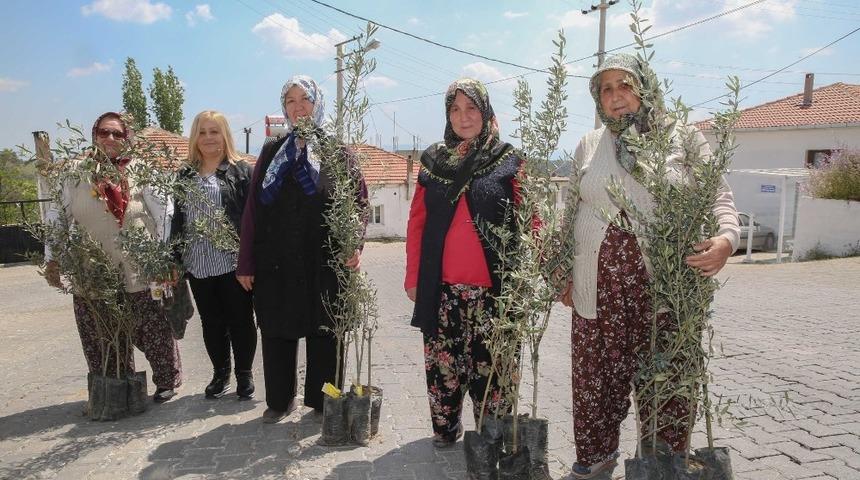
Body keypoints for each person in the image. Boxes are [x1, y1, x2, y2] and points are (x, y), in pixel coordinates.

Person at [559, 53, 741, 479]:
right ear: (597, 98)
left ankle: (658, 466)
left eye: (626, 85)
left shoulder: (683, 138)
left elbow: (721, 199)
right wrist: (562, 270)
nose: (617, 96)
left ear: (645, 87)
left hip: (664, 292)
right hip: (595, 289)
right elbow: (569, 213)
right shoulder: (589, 143)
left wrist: (725, 240)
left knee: (666, 386)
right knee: (595, 382)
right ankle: (595, 458)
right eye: (607, 89)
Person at [236, 75, 365, 424]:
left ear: (317, 103)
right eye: (290, 100)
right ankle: (279, 399)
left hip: (324, 261)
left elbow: (358, 204)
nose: (298, 107)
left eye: (304, 99)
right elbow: (252, 211)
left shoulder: (338, 153)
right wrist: (245, 262)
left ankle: (323, 401)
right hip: (275, 261)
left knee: (325, 329)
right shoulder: (270, 152)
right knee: (277, 328)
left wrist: (354, 245)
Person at [405, 78, 524, 448]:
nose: (463, 116)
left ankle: (491, 434)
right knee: (444, 367)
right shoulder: (432, 163)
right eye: (455, 109)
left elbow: (531, 219)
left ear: (486, 112)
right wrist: (413, 277)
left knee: (493, 369)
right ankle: (445, 428)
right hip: (442, 291)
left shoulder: (508, 160)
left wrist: (530, 277)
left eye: (471, 108)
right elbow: (417, 223)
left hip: (496, 293)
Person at [44, 111, 183, 404]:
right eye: (104, 132)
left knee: (152, 326)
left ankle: (166, 380)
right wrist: (52, 259)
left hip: (141, 268)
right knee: (100, 330)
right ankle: (115, 384)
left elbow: (164, 213)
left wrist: (162, 257)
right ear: (94, 135)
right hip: (92, 270)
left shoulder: (142, 169)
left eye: (117, 134)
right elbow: (57, 217)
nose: (110, 138)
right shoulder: (73, 173)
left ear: (127, 139)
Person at [171, 110, 256, 400]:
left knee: (241, 320)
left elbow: (252, 219)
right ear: (195, 137)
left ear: (225, 135)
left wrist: (250, 260)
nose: (208, 138)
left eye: (214, 131)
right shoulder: (184, 175)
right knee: (211, 323)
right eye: (203, 132)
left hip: (233, 263)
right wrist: (175, 259)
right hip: (198, 263)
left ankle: (245, 375)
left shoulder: (241, 171)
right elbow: (178, 220)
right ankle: (221, 373)